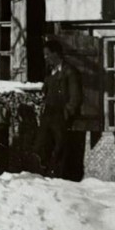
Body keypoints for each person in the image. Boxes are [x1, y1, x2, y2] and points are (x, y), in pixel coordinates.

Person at [35, 38, 82, 177]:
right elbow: (46, 90)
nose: (45, 57)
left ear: (56, 54)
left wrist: (67, 112)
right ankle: (47, 172)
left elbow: (76, 96)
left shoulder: (69, 71)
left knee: (59, 147)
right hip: (48, 112)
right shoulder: (50, 72)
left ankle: (57, 176)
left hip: (60, 114)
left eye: (47, 54)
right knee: (41, 144)